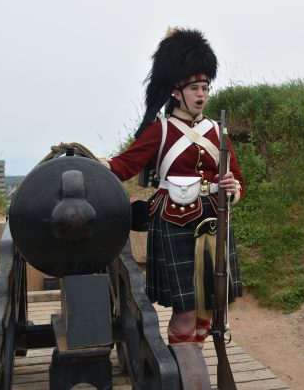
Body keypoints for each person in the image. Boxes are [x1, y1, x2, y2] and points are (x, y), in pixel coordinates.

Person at [100, 27, 245, 348]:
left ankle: (194, 364)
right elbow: (123, 166)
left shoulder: (217, 132)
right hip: (174, 222)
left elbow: (238, 183)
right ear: (176, 91)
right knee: (185, 313)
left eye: (205, 87)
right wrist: (93, 162)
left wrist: (231, 188)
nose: (202, 94)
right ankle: (185, 370)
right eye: (194, 87)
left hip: (214, 224)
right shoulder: (160, 131)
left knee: (208, 309)